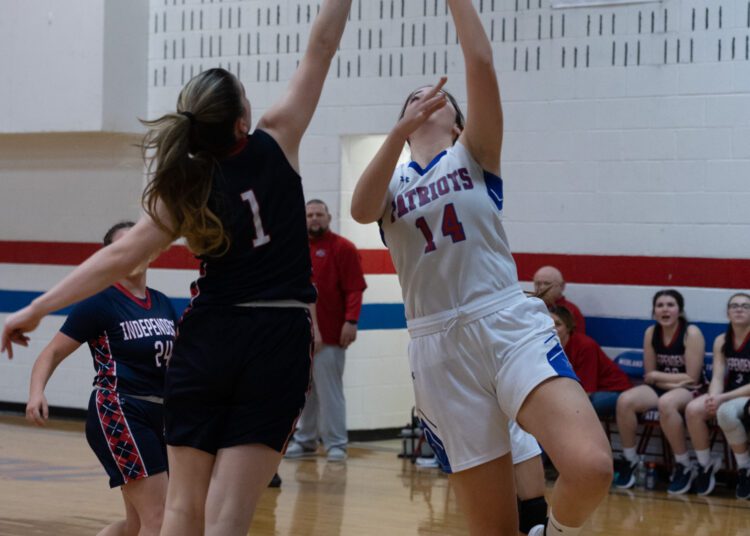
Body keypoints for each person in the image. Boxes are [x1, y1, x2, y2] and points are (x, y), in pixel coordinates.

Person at [1, 1, 352, 534]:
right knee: (227, 517)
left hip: (207, 336)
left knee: (182, 511)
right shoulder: (277, 135)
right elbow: (322, 46)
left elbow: (117, 256)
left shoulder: (186, 184)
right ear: (241, 120)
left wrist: (36, 307)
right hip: (277, 336)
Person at [350, 1, 612, 534]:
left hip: (505, 322)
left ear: (459, 121)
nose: (426, 97)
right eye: (413, 97)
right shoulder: (390, 184)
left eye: (438, 96)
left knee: (590, 466)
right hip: (437, 346)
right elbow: (359, 210)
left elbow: (481, 62)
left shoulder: (473, 155)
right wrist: (396, 135)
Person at [22, 221, 176, 536]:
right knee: (159, 520)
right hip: (119, 410)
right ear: (112, 255)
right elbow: (51, 352)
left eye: (140, 244)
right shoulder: (99, 302)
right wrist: (36, 392)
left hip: (160, 413)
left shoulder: (162, 303)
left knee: (137, 525)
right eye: (125, 247)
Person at [285, 199, 367, 462]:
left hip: (331, 336)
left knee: (330, 393)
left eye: (319, 214)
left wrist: (351, 321)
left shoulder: (344, 248)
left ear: (329, 217)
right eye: (309, 215)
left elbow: (354, 289)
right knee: (305, 393)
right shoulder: (295, 249)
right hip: (300, 338)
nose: (314, 219)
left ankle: (336, 444)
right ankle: (305, 440)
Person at [614, 289, 705, 494]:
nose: (665, 309)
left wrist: (660, 377)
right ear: (654, 311)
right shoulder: (651, 332)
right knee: (625, 401)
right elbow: (649, 375)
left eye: (670, 305)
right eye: (660, 305)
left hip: (688, 390)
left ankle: (684, 464)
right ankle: (630, 459)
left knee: (667, 403)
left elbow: (692, 378)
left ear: (680, 310)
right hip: (665, 386)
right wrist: (666, 380)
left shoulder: (691, 333)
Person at [686, 292, 750, 497]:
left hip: (743, 396)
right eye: (734, 306)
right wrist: (713, 397)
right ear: (727, 312)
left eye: (745, 306)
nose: (739, 309)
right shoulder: (721, 340)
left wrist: (722, 399)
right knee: (693, 409)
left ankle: (745, 468)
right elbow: (717, 376)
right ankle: (705, 465)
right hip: (729, 395)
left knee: (726, 412)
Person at [550, 305, 632, 419]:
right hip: (589, 391)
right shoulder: (549, 348)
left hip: (614, 390)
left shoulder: (585, 346)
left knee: (575, 409)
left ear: (568, 327)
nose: (553, 328)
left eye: (558, 324)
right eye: (549, 324)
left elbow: (586, 390)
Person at [533, 266, 586, 335]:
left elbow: (577, 339)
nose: (542, 288)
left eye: (547, 283)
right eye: (538, 284)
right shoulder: (530, 308)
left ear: (562, 286)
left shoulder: (571, 311)